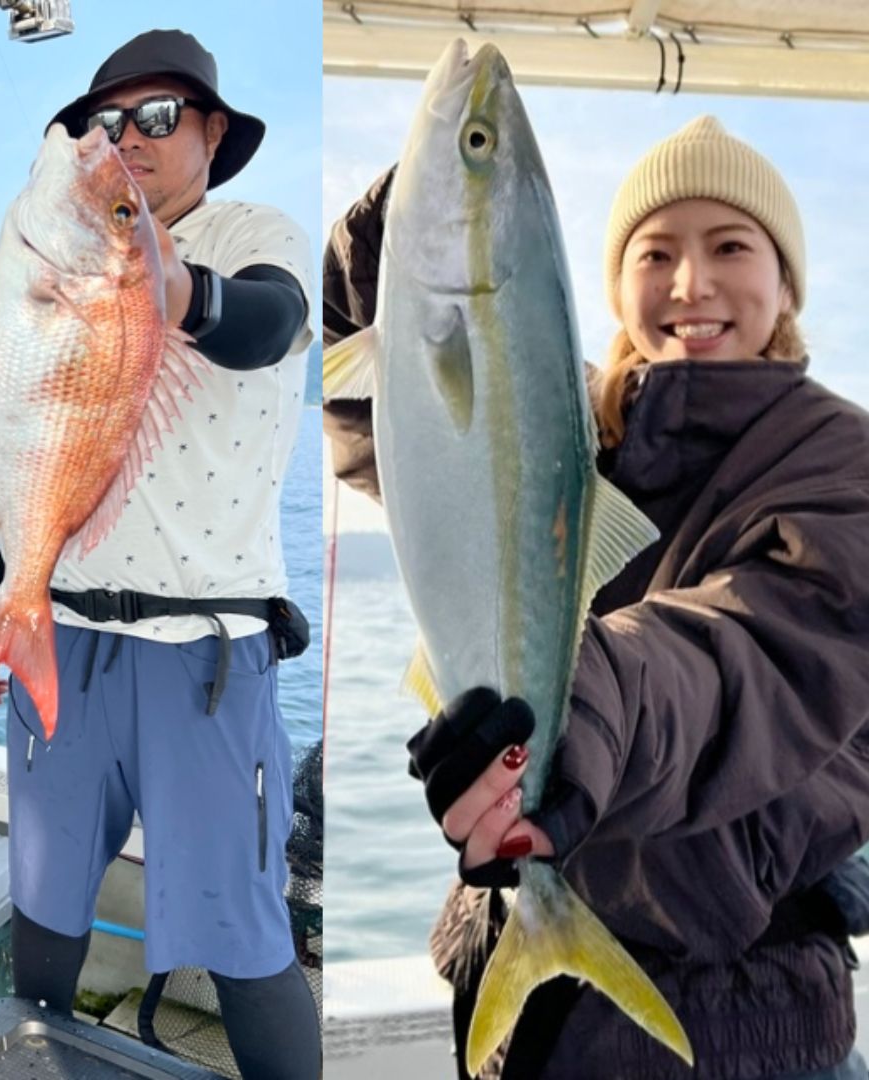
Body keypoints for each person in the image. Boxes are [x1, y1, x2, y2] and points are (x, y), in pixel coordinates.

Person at [326, 117, 869, 1079]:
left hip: (743, 1023)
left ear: (786, 281)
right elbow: (389, 403)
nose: (691, 285)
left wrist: (567, 716)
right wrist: (407, 219)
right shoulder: (563, 423)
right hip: (516, 1009)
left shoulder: (842, 460)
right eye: (655, 253)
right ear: (610, 283)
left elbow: (744, 655)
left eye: (731, 246)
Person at [0, 29, 321, 1080]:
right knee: (45, 903)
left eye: (157, 116)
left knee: (245, 937)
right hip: (57, 636)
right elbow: (29, 442)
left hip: (202, 658)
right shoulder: (62, 249)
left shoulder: (256, 231)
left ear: (213, 131)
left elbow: (272, 320)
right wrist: (0, 608)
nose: (127, 139)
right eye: (105, 122)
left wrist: (176, 291)